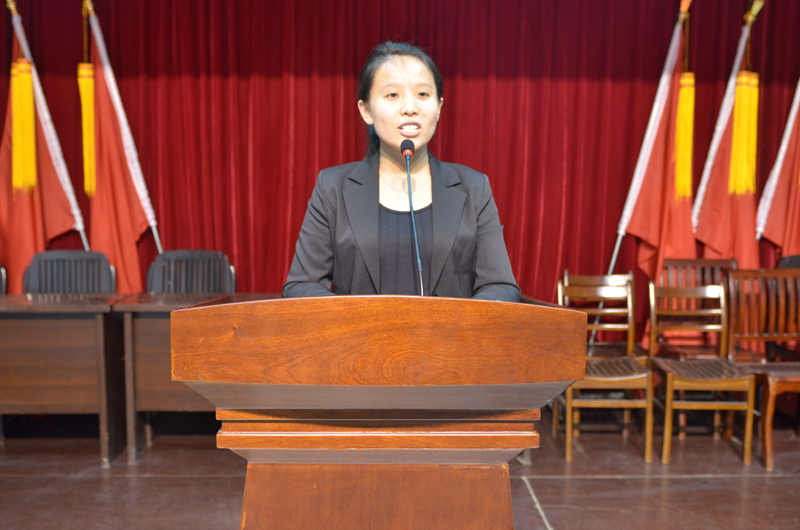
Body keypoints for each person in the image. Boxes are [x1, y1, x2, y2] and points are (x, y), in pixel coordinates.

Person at [282, 42, 520, 302]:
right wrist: (357, 320)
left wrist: (455, 322)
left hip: (450, 330)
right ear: (366, 111)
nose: (410, 107)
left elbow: (501, 287)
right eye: (393, 95)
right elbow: (301, 286)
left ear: (439, 108)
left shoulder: (474, 188)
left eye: (423, 94)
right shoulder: (332, 188)